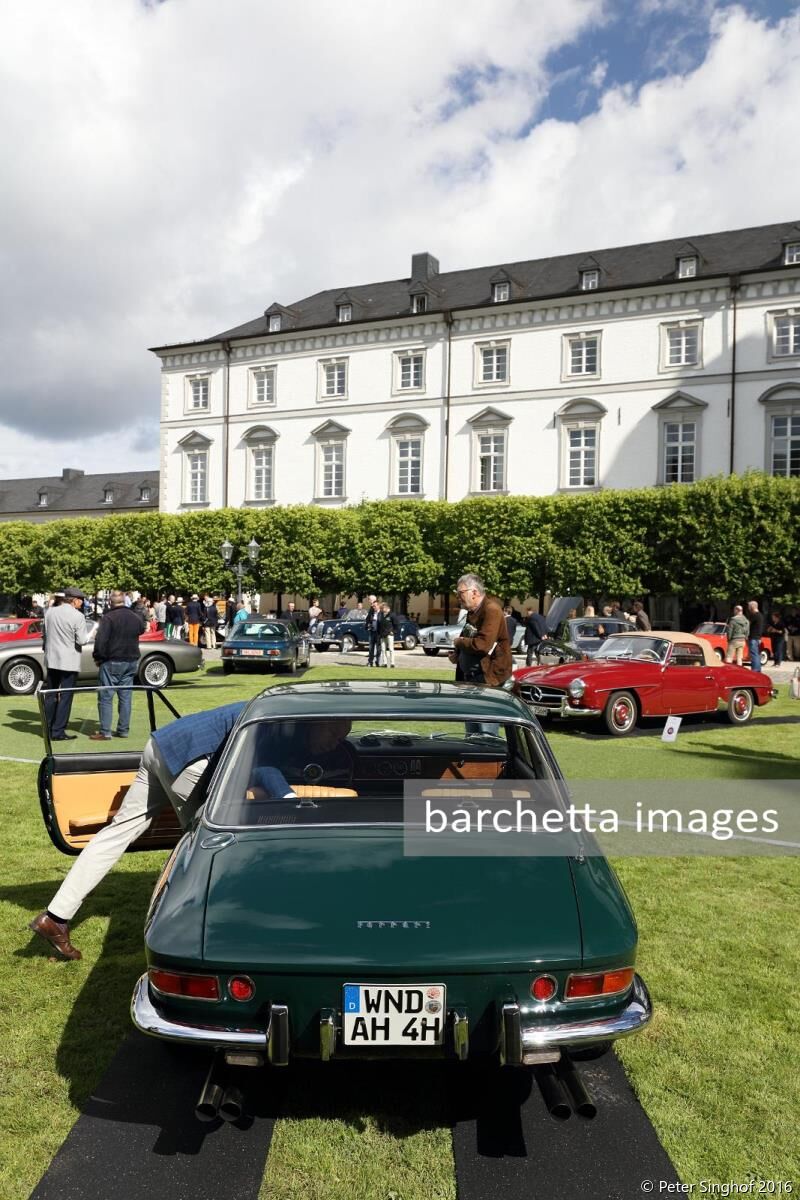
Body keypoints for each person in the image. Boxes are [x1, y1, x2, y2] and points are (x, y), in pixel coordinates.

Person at [28, 702, 247, 960]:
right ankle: (202, 929)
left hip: (158, 745)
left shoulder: (263, 704)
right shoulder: (277, 717)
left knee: (117, 833)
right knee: (204, 842)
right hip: (190, 759)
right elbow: (267, 771)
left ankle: (55, 917)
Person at [89, 590, 146, 741]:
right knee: (125, 696)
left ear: (110, 602)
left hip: (113, 660)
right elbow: (141, 629)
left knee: (106, 697)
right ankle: (123, 730)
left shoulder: (108, 618)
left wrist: (98, 657)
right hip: (131, 659)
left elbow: (101, 641)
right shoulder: (134, 617)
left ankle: (105, 731)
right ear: (124, 600)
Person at [42, 586, 92, 741]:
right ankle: (58, 730)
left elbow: (45, 634)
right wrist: (90, 635)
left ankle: (48, 727)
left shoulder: (50, 612)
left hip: (52, 659)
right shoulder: (77, 616)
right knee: (66, 696)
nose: (82, 603)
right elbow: (82, 640)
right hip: (69, 661)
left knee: (51, 694)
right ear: (74, 600)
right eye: (81, 600)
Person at [450, 574, 512, 686]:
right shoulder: (473, 611)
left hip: (487, 677)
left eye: (460, 593)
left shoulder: (491, 610)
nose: (458, 597)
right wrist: (457, 654)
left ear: (474, 592)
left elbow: (482, 644)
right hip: (472, 676)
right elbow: (468, 635)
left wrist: (458, 642)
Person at [377, 602, 400, 667]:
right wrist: (379, 633)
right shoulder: (381, 614)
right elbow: (379, 624)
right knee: (383, 649)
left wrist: (394, 631)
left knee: (391, 649)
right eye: (381, 608)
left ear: (387, 608)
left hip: (390, 634)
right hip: (382, 634)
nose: (382, 609)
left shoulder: (392, 615)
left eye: (383, 608)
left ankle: (392, 663)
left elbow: (397, 624)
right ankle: (385, 663)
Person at [746, 600, 765, 674]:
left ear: (752, 607)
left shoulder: (754, 615)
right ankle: (757, 669)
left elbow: (747, 624)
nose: (748, 608)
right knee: (756, 654)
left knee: (754, 654)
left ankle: (755, 669)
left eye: (749, 606)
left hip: (753, 637)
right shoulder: (760, 615)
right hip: (757, 637)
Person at [365, 598, 382, 666]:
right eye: (373, 606)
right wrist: (367, 625)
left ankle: (377, 661)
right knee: (371, 648)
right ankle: (370, 661)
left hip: (379, 633)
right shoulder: (371, 613)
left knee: (378, 648)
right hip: (372, 632)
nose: (373, 607)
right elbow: (367, 620)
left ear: (378, 606)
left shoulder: (381, 613)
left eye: (375, 606)